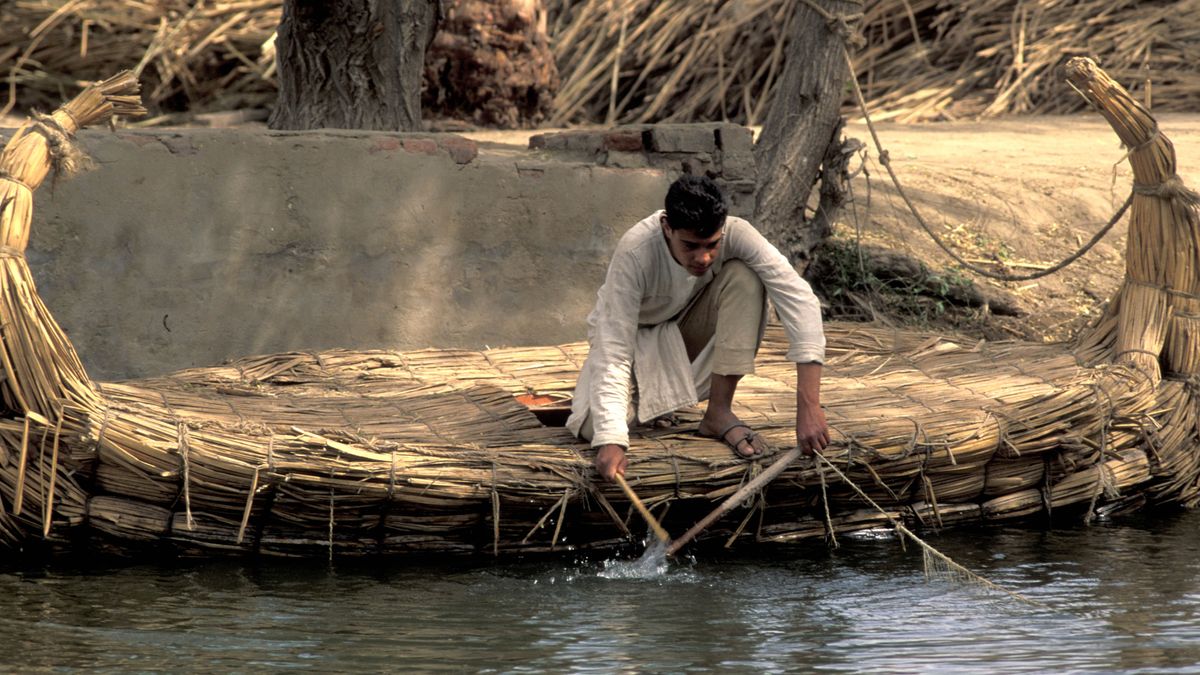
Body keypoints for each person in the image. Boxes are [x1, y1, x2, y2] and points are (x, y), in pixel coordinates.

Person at [566, 175, 829, 481]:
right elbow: (613, 349)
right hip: (635, 346)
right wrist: (612, 440)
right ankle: (643, 409)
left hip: (686, 334)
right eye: (690, 245)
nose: (703, 257)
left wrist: (809, 405)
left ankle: (719, 412)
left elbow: (799, 299)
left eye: (712, 245)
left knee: (745, 277)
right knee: (592, 429)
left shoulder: (739, 233)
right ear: (667, 227)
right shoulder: (635, 251)